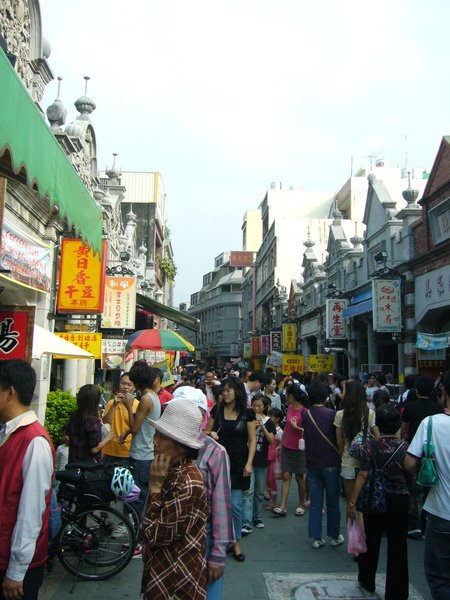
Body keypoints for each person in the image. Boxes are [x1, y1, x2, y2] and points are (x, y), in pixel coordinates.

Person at [141, 399, 207, 600]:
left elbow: (154, 535)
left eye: (162, 437)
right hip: (162, 572)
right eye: (156, 435)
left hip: (176, 581)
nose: (155, 442)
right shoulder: (169, 470)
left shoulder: (188, 483)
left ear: (181, 447)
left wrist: (155, 488)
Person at [172, 385, 234, 600]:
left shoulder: (215, 452)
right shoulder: (163, 445)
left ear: (202, 418)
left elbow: (222, 506)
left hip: (203, 539)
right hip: (170, 540)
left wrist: (218, 555)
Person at [0, 359, 54, 600]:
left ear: (9, 391)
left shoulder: (34, 441)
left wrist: (16, 571)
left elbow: (31, 514)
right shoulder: (9, 432)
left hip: (14, 567)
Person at [348, 404, 412, 599]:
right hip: (399, 499)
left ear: (379, 425)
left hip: (374, 499)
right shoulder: (405, 448)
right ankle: (398, 591)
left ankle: (366, 579)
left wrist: (352, 502)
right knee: (398, 545)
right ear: (398, 425)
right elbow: (411, 475)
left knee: (371, 540)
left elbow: (363, 475)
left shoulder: (370, 446)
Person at [405, 370, 450, 600]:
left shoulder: (431, 424)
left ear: (443, 392)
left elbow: (410, 462)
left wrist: (426, 477)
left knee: (440, 579)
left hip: (441, 512)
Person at [205, 377, 256, 562]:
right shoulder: (217, 410)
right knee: (215, 505)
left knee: (235, 506)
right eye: (223, 390)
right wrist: (210, 433)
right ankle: (218, 541)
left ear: (237, 392)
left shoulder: (247, 413)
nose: (225, 394)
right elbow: (204, 433)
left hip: (238, 464)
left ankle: (235, 543)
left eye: (229, 390)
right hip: (217, 465)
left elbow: (251, 440)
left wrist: (249, 463)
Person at [302, 380, 343, 549]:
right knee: (333, 502)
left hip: (313, 464)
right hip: (332, 463)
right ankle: (334, 535)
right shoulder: (332, 414)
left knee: (316, 503)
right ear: (326, 396)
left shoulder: (306, 415)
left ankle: (316, 537)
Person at [121, 362, 162, 522]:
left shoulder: (145, 399)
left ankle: (138, 538)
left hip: (141, 456)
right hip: (148, 453)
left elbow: (136, 427)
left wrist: (129, 405)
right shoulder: (153, 396)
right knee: (142, 497)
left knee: (137, 499)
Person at [334, 380, 379, 501]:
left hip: (348, 461)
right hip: (366, 461)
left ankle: (352, 520)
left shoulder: (340, 414)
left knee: (351, 501)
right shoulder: (369, 413)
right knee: (364, 501)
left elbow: (339, 441)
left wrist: (342, 453)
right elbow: (378, 438)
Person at [272, 383, 308, 518]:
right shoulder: (290, 408)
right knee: (286, 476)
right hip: (287, 446)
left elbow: (308, 431)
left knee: (299, 477)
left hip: (300, 449)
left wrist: (296, 428)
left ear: (291, 396)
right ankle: (283, 506)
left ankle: (301, 504)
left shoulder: (305, 411)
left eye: (286, 394)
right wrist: (281, 444)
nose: (285, 396)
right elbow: (287, 428)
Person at [241, 395, 276, 533]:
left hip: (261, 460)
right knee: (248, 491)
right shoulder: (248, 420)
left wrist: (262, 427)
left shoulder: (269, 422)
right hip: (249, 459)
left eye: (259, 406)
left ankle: (257, 517)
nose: (256, 408)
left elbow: (271, 441)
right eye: (254, 405)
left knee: (260, 491)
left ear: (264, 407)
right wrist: (253, 428)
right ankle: (246, 521)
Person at [67, 384, 116, 463]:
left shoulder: (74, 416)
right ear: (95, 401)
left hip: (73, 463)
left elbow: (69, 436)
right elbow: (94, 449)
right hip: (88, 467)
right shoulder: (93, 421)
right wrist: (108, 438)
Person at [102, 373, 139, 466]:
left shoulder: (138, 405)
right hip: (110, 450)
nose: (125, 387)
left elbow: (135, 428)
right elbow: (106, 422)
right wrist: (114, 405)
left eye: (129, 385)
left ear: (134, 388)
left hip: (128, 451)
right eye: (123, 383)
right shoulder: (111, 403)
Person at [402, 376, 444, 442]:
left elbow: (403, 427)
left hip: (414, 443)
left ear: (416, 390)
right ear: (432, 391)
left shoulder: (409, 407)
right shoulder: (439, 408)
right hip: (432, 444)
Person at [265, 407, 283, 511]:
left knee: (272, 480)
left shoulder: (279, 431)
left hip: (274, 458)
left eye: (271, 417)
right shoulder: (270, 429)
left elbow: (281, 444)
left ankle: (274, 501)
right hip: (269, 456)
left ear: (277, 419)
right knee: (268, 479)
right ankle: (271, 499)